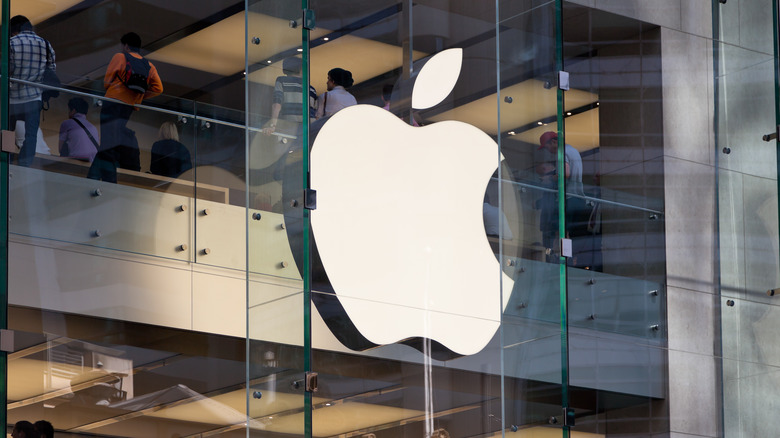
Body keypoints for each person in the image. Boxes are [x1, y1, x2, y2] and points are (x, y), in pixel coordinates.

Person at [88, 32, 163, 182]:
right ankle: (93, 177)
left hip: (112, 103)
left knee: (108, 145)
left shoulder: (120, 57)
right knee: (110, 143)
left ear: (126, 45)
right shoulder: (148, 65)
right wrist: (139, 97)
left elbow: (107, 82)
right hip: (128, 107)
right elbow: (158, 89)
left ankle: (106, 180)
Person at [8, 15, 56, 167]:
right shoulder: (46, 44)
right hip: (34, 98)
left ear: (13, 29)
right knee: (31, 135)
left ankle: (6, 160)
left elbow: (8, 70)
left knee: (8, 132)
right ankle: (25, 165)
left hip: (13, 98)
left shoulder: (11, 43)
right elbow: (51, 70)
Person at [264, 56, 317, 135]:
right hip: (310, 128)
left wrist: (273, 125)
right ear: (300, 69)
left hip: (290, 125)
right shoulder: (311, 89)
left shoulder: (281, 80)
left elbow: (277, 104)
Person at [58, 97, 99, 162]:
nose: (68, 113)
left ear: (73, 111)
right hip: (92, 164)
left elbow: (61, 149)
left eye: (69, 110)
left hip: (75, 162)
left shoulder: (66, 123)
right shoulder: (93, 128)